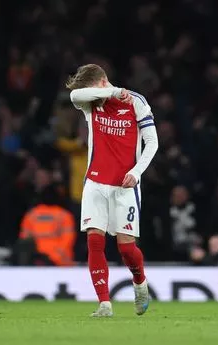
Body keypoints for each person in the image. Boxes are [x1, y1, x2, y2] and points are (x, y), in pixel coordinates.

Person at [66, 64, 159, 317]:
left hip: (124, 186)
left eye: (91, 89)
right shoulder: (92, 104)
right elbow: (75, 96)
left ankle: (140, 284)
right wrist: (114, 92)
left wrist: (136, 172)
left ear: (101, 81)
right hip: (95, 183)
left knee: (126, 248)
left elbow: (152, 142)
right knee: (94, 241)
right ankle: (104, 304)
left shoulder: (137, 102)